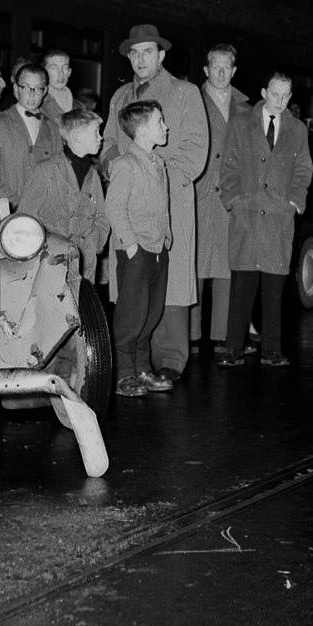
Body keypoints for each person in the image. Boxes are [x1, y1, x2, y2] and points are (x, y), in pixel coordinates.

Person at [101, 23, 208, 383]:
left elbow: (195, 153)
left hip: (170, 202)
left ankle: (170, 359)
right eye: (134, 52)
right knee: (134, 289)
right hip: (129, 203)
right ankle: (134, 364)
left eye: (148, 51)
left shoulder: (184, 92)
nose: (140, 58)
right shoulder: (120, 98)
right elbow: (108, 146)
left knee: (168, 281)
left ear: (161, 55)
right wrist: (117, 168)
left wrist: (156, 176)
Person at [218, 71, 313, 369]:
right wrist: (233, 199)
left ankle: (272, 350)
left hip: (278, 220)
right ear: (263, 92)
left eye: (286, 96)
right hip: (246, 216)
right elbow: (228, 165)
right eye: (275, 94)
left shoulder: (297, 130)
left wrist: (295, 201)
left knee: (274, 290)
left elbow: (303, 169)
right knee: (242, 286)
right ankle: (233, 348)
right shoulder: (239, 125)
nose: (280, 101)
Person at [105, 100, 172, 397]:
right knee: (131, 316)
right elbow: (114, 208)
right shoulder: (125, 164)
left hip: (158, 249)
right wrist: (131, 246)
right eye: (160, 121)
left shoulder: (158, 163)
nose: (165, 126)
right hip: (137, 251)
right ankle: (123, 374)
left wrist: (166, 238)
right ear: (142, 130)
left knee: (151, 313)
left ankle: (143, 369)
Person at [191, 44, 251, 356]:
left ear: (234, 71)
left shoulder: (245, 106)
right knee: (196, 266)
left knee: (228, 267)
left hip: (231, 196)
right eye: (216, 66)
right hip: (200, 194)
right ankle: (191, 337)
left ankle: (221, 337)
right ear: (206, 70)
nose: (222, 72)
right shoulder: (191, 100)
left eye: (227, 67)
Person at [20, 107, 109, 283]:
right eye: (95, 133)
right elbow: (26, 218)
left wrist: (92, 245)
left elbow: (102, 217)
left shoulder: (93, 176)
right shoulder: (46, 170)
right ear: (76, 137)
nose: (101, 138)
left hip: (85, 268)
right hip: (49, 265)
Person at [0, 60, 62, 208]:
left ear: (45, 91)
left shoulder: (53, 128)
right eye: (26, 88)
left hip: (44, 214)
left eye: (38, 88)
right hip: (8, 213)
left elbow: (59, 174)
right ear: (16, 89)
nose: (32, 95)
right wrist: (17, 204)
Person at [40, 49, 75, 123]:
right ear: (43, 72)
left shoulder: (78, 106)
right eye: (53, 68)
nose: (61, 73)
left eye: (65, 68)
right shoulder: (38, 103)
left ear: (69, 72)